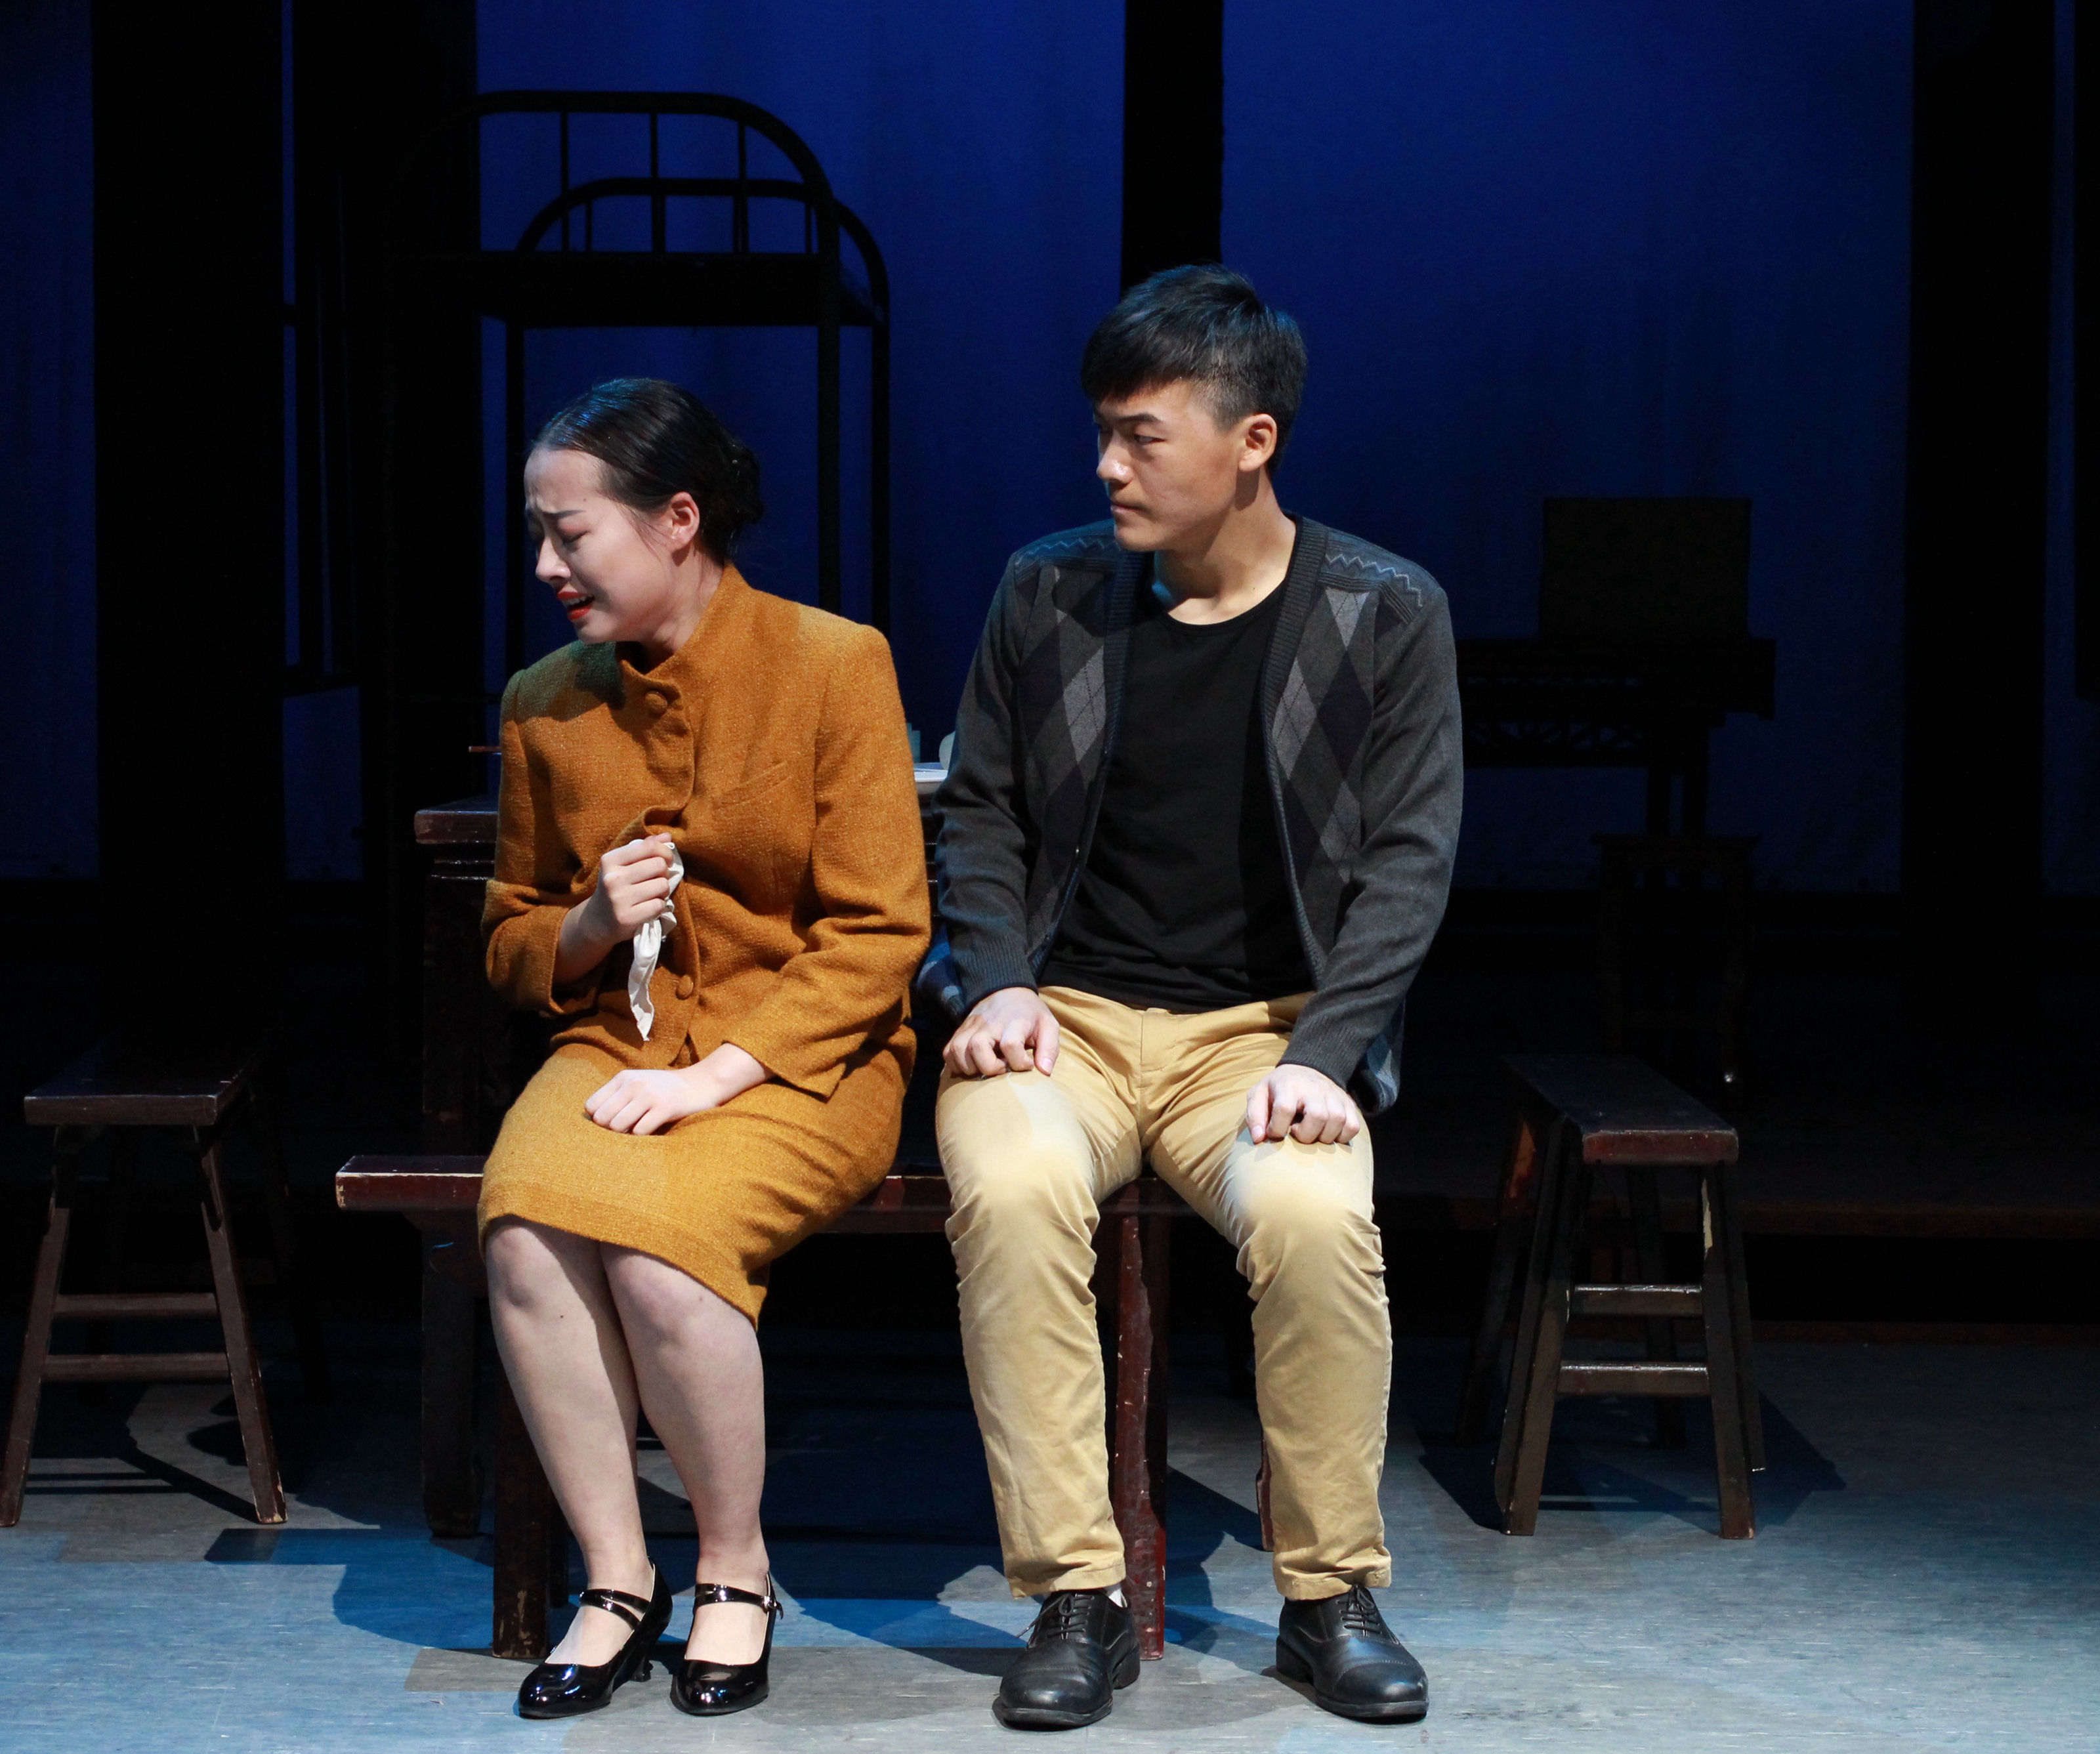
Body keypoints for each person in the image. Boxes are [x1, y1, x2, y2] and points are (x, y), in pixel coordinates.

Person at [927, 266, 1462, 1728]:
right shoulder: (1046, 592)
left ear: (1252, 441)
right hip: (1072, 1021)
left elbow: (1410, 860)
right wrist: (999, 982)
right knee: (1013, 1186)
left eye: (1141, 434)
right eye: (1101, 431)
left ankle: (1328, 1594)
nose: (1106, 464)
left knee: (1314, 1215)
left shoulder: (1382, 611)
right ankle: (1075, 1595)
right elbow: (980, 808)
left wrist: (1329, 1053)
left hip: (1267, 1032)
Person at [477, 377, 929, 1721]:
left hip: (805, 1054)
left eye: (571, 533)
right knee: (523, 1227)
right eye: (539, 534)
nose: (547, 565)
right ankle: (619, 1579)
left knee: (660, 1254)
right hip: (613, 1042)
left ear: (679, 519)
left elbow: (878, 932)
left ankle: (735, 1568)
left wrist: (715, 1077)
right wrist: (583, 924)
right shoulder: (544, 700)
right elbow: (507, 938)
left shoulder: (832, 663)